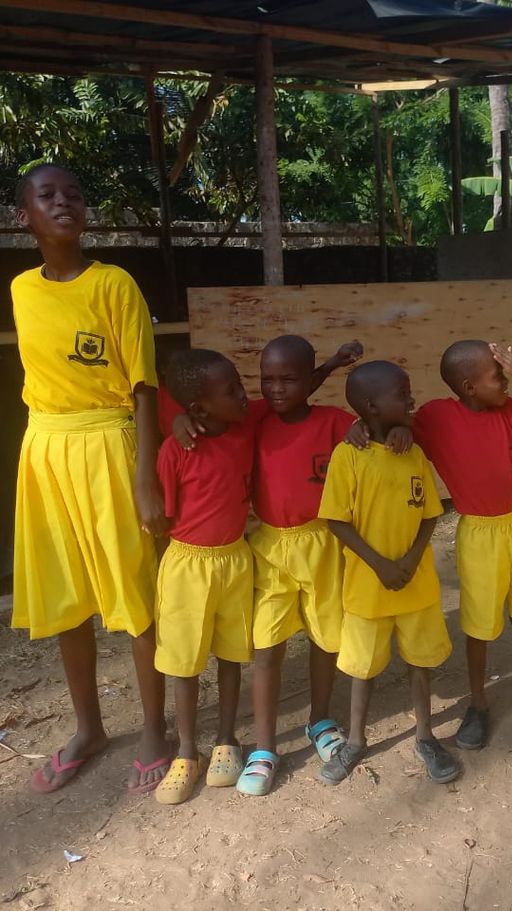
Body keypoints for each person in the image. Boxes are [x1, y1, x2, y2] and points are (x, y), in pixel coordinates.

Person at [10, 163, 171, 795]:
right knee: (64, 598)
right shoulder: (22, 289)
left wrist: (146, 479)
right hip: (44, 447)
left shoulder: (115, 284)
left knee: (135, 596)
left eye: (74, 193)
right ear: (26, 216)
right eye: (47, 196)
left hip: (109, 442)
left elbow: (144, 387)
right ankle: (89, 728)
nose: (64, 203)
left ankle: (156, 728)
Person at [413, 340, 512, 756]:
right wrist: (377, 429)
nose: (505, 381)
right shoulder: (437, 417)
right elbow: (398, 425)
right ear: (469, 386)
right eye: (497, 376)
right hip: (478, 535)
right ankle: (478, 704)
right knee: (478, 628)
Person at [318, 361, 458, 785]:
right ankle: (356, 741)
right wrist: (379, 564)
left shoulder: (412, 452)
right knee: (363, 668)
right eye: (402, 393)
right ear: (372, 407)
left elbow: (431, 513)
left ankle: (425, 736)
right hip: (368, 588)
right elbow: (336, 520)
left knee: (421, 663)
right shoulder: (349, 455)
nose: (411, 399)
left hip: (416, 585)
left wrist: (413, 559)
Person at [236, 335, 358, 797]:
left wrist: (387, 429)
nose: (276, 389)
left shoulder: (333, 423)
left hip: (323, 542)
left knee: (326, 637)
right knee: (266, 644)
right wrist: (327, 363)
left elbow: (375, 425)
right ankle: (265, 747)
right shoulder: (257, 419)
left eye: (288, 379)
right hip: (270, 546)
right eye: (268, 379)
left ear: (308, 381)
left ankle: (320, 719)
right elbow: (288, 389)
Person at [153, 348, 254, 805]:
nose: (244, 395)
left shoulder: (244, 429)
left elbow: (290, 396)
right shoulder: (177, 449)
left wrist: (331, 369)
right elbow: (165, 515)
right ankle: (186, 753)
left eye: (239, 384)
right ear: (197, 409)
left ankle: (227, 740)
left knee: (231, 653)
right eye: (231, 390)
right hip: (187, 566)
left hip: (235, 560)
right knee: (184, 662)